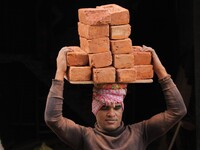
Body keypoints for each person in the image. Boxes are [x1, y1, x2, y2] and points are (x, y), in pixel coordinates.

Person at [44, 45, 187, 150]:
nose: (111, 114)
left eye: (117, 107)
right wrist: (59, 72)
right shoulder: (84, 137)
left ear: (122, 108)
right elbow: (53, 119)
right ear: (95, 109)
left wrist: (159, 69)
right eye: (104, 107)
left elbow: (178, 111)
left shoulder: (141, 133)